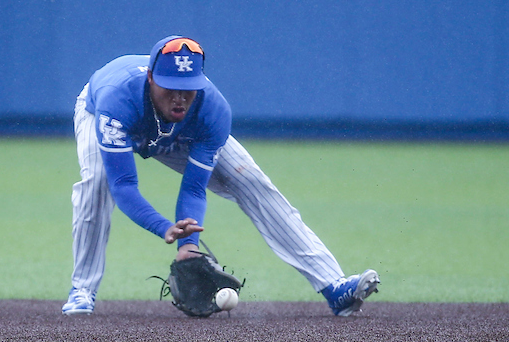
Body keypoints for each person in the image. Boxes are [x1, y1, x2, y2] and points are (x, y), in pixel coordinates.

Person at [63, 35, 380, 316]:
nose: (179, 97)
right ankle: (82, 290)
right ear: (150, 78)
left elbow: (194, 189)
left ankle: (333, 286)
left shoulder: (211, 111)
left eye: (187, 89)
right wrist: (163, 227)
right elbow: (124, 185)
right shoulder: (115, 102)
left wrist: (188, 244)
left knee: (249, 178)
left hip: (180, 134)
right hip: (105, 116)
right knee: (98, 183)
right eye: (170, 87)